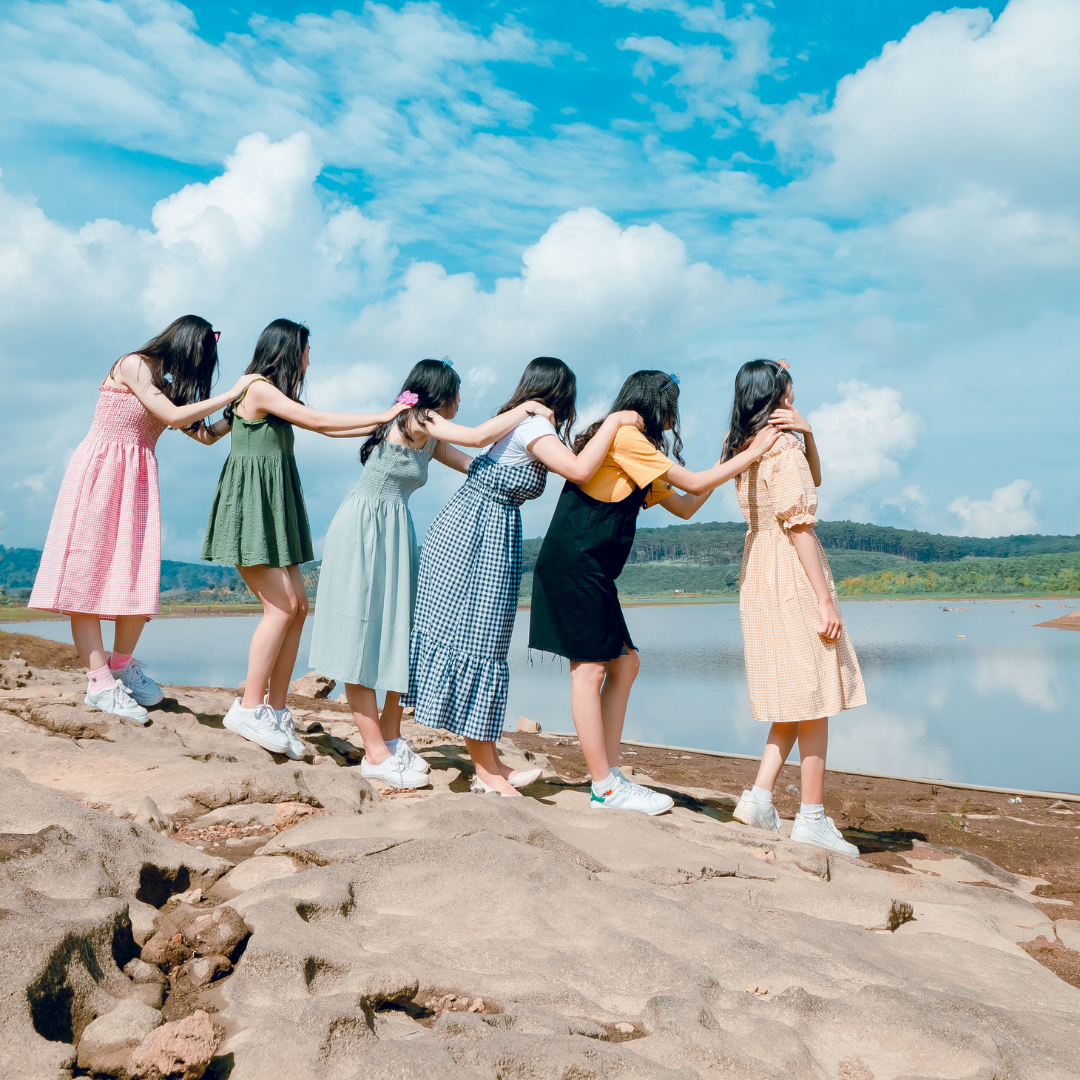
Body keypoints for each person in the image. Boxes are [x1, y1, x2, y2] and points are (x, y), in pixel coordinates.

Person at [529, 370, 781, 815]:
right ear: (656, 403)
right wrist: (754, 450)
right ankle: (605, 786)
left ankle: (608, 772)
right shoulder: (626, 437)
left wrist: (729, 454)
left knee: (625, 664)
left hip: (590, 567)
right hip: (575, 562)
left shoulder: (637, 449)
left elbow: (685, 506)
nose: (675, 414)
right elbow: (696, 484)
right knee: (589, 673)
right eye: (673, 404)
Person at [309, 358, 558, 790]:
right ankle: (375, 753)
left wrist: (527, 473)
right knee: (362, 641)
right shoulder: (421, 420)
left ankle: (391, 736)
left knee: (396, 638)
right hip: (364, 529)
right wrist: (530, 409)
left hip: (394, 530)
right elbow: (479, 437)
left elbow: (478, 467)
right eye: (456, 393)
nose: (461, 400)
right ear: (438, 395)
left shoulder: (427, 436)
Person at [404, 357, 644, 796]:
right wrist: (613, 422)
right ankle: (487, 771)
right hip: (478, 534)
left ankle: (489, 761)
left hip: (481, 528)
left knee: (483, 643)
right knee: (478, 642)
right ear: (561, 396)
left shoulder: (520, 423)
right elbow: (579, 470)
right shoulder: (534, 428)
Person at [29, 316, 258, 723]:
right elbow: (171, 417)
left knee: (134, 575)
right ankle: (99, 683)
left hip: (135, 480)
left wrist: (240, 411)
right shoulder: (133, 365)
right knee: (88, 573)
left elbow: (203, 435)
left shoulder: (166, 387)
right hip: (101, 473)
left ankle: (120, 668)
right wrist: (232, 391)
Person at [202, 319, 409, 756]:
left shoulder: (269, 395)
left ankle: (274, 710)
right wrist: (385, 414)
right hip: (253, 506)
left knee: (297, 606)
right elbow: (317, 421)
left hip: (275, 506)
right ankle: (248, 706)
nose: (310, 358)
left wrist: (381, 424)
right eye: (307, 350)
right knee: (280, 608)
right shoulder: (258, 387)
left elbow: (327, 429)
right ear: (289, 350)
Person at [726, 359, 866, 855]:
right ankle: (811, 816)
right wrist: (825, 600)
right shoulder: (781, 447)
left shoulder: (746, 443)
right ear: (779, 393)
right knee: (815, 695)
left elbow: (817, 479)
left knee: (795, 691)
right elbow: (800, 525)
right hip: (789, 570)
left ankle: (760, 798)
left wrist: (809, 432)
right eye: (790, 387)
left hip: (759, 570)